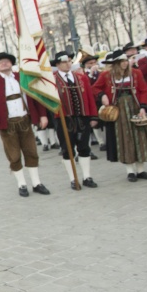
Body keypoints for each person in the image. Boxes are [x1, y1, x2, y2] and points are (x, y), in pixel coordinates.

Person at [0, 52, 50, 197]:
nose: (4, 64)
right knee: (14, 155)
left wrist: (42, 115)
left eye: (6, 61)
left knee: (31, 152)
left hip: (25, 120)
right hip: (7, 124)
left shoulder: (21, 77)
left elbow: (35, 97)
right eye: (0, 62)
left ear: (11, 63)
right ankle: (22, 184)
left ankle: (36, 183)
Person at [92, 49, 147, 181]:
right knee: (124, 139)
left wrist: (143, 107)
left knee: (139, 138)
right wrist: (102, 95)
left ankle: (140, 170)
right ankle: (130, 171)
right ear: (115, 63)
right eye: (122, 61)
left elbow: (143, 90)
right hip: (119, 111)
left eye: (126, 61)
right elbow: (95, 88)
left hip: (135, 108)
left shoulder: (136, 73)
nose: (125, 63)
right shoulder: (106, 75)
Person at [51, 51, 99, 189]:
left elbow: (89, 97)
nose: (68, 64)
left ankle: (87, 177)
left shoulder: (81, 77)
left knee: (84, 147)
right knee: (67, 149)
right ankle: (73, 179)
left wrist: (93, 116)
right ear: (57, 64)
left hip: (82, 117)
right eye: (64, 62)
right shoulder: (52, 80)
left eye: (69, 61)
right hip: (64, 120)